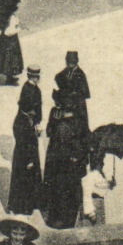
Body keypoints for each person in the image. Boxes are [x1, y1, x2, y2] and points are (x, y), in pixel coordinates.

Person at [42, 95, 87, 228]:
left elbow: (82, 137)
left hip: (71, 160)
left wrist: (77, 155)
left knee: (69, 189)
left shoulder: (78, 118)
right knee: (57, 188)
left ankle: (68, 219)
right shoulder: (55, 112)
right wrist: (54, 122)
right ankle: (56, 217)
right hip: (57, 158)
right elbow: (49, 131)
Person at [8, 109, 44, 215]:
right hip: (25, 157)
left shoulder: (25, 118)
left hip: (26, 156)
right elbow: (23, 141)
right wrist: (29, 160)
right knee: (24, 182)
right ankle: (23, 208)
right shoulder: (21, 120)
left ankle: (28, 206)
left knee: (27, 182)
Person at [55, 51, 90, 126]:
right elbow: (57, 77)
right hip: (67, 103)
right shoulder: (67, 71)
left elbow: (85, 92)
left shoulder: (80, 74)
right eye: (68, 62)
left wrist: (73, 92)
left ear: (76, 62)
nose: (70, 64)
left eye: (72, 63)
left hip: (78, 105)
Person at [0, 11, 25, 85]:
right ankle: (9, 79)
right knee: (9, 59)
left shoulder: (9, 16)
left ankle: (10, 77)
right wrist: (18, 29)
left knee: (10, 60)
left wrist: (17, 24)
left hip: (9, 41)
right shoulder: (8, 18)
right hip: (9, 42)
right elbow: (8, 32)